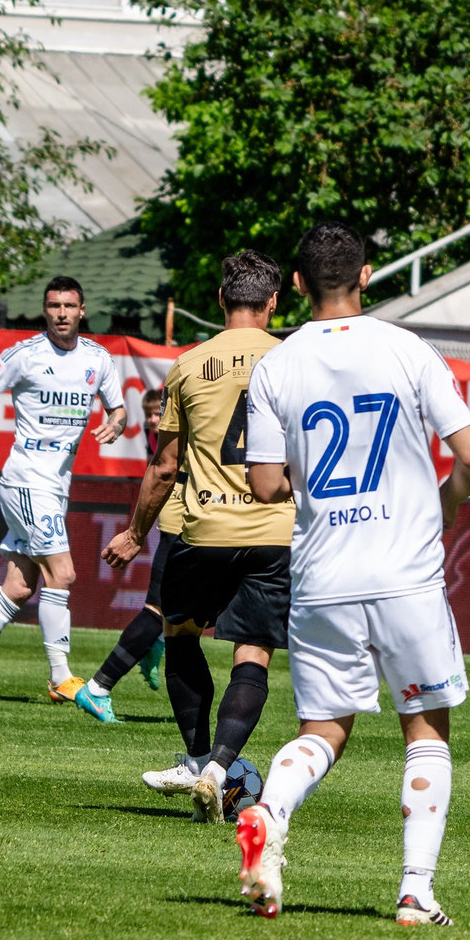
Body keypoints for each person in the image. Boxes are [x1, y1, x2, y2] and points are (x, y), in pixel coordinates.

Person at [236, 223, 470, 924]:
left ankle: (269, 808)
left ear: (295, 284)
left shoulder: (278, 365)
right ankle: (415, 889)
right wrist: (440, 504)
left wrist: (323, 487)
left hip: (322, 576)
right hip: (406, 572)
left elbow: (263, 485)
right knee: (426, 730)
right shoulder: (406, 347)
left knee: (324, 731)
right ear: (369, 275)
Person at [111, 252, 293, 823]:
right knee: (253, 654)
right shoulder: (294, 360)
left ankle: (196, 761)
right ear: (272, 304)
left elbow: (165, 465)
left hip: (206, 528)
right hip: (274, 529)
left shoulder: (189, 364)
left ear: (220, 300)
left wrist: (137, 531)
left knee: (179, 635)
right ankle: (219, 770)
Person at [0, 277, 126, 705]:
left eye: (69, 305)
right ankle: (61, 677)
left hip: (56, 485)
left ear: (82, 310)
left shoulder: (98, 358)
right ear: (45, 309)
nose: (61, 313)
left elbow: (119, 409)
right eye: (54, 305)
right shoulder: (25, 354)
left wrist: (116, 423)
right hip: (26, 480)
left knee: (20, 586)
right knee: (64, 573)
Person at [66, 383, 172, 727]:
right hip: (182, 525)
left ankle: (153, 644)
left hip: (185, 523)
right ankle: (98, 687)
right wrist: (136, 531)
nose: (154, 420)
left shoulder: (163, 436)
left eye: (158, 414)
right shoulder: (167, 439)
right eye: (151, 415)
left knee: (178, 610)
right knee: (159, 610)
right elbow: (163, 474)